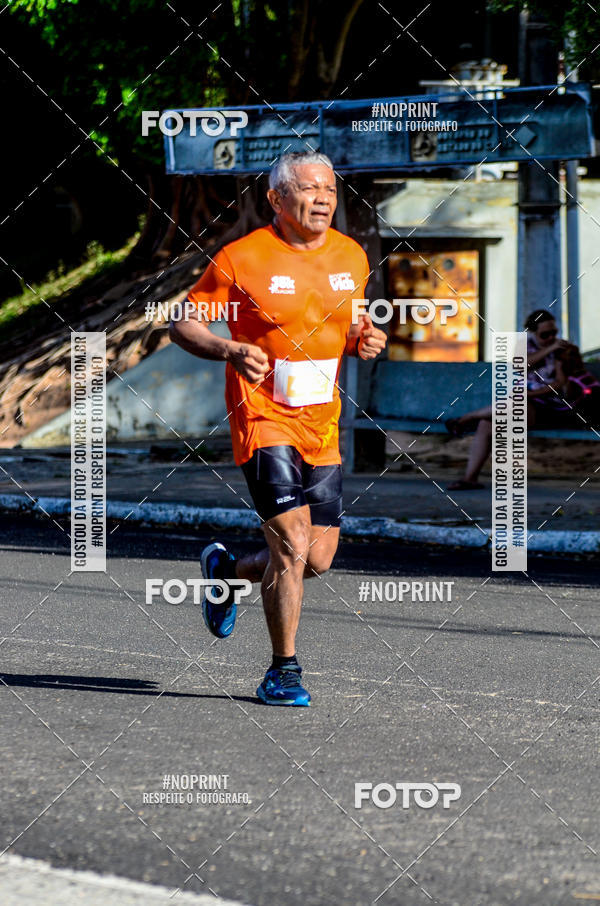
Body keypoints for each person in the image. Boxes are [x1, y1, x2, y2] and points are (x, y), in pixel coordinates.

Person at [169, 151, 387, 706]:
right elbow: (182, 323)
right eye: (311, 190)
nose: (323, 200)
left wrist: (364, 339)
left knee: (316, 558)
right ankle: (282, 671)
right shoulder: (243, 258)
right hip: (263, 418)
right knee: (290, 543)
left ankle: (228, 571)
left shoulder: (352, 255)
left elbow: (346, 327)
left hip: (323, 424)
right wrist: (229, 348)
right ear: (276, 199)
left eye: (331, 192)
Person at [445, 309, 572, 490]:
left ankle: (465, 419)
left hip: (550, 406)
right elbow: (520, 365)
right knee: (485, 425)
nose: (551, 338)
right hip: (522, 402)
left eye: (554, 333)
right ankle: (469, 478)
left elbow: (560, 384)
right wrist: (548, 350)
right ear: (534, 333)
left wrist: (532, 394)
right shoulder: (524, 346)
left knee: (517, 401)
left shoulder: (561, 350)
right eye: (545, 335)